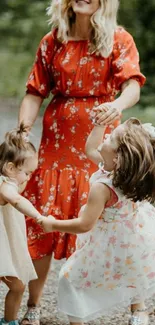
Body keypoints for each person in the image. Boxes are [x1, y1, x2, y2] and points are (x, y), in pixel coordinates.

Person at [18, 0, 146, 323]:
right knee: (44, 218)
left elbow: (132, 85)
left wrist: (117, 106)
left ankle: (138, 307)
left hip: (101, 143)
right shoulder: (52, 42)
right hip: (56, 145)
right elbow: (35, 91)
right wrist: (23, 128)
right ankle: (34, 306)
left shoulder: (119, 39)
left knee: (119, 223)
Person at [39, 117, 155, 325]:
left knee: (69, 278)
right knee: (134, 269)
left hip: (110, 241)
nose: (107, 135)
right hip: (133, 237)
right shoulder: (127, 174)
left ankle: (78, 322)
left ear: (118, 157)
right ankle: (139, 313)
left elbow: (85, 224)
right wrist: (99, 124)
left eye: (111, 137)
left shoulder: (103, 188)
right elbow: (91, 148)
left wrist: (52, 224)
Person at [0, 124, 45, 325]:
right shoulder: (6, 185)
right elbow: (17, 200)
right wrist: (38, 216)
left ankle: (10, 321)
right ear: (10, 168)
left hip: (4, 247)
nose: (28, 178)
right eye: (27, 173)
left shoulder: (8, 181)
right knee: (17, 286)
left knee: (18, 286)